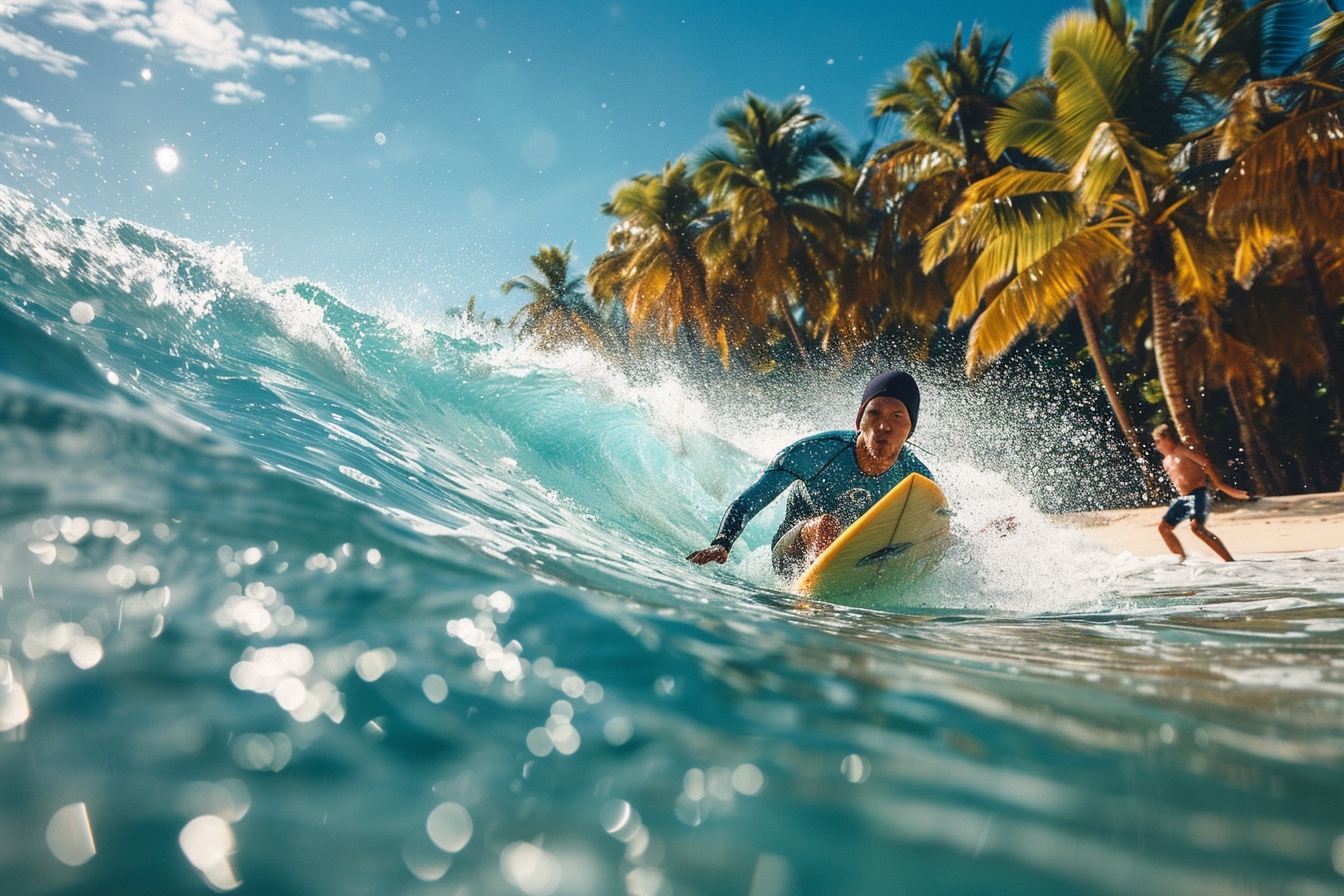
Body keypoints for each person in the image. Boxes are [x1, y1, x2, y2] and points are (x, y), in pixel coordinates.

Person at [687, 371, 932, 579]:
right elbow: (752, 498)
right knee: (827, 524)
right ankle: (816, 589)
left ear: (911, 427)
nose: (883, 426)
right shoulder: (819, 452)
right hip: (792, 556)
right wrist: (722, 542)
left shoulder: (915, 475)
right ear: (859, 421)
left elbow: (934, 525)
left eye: (897, 416)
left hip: (855, 560)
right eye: (874, 413)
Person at [1151, 423, 1249, 562]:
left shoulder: (1182, 451)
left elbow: (1205, 462)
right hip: (1185, 499)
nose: (1156, 446)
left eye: (1157, 441)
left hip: (1199, 493)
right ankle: (1182, 560)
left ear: (1168, 439)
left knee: (1196, 528)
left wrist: (1219, 485)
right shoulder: (1166, 461)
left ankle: (1230, 561)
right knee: (1164, 528)